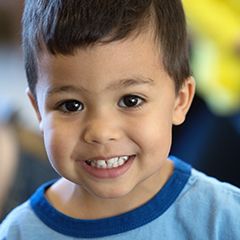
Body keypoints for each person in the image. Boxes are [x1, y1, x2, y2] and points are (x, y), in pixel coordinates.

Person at [0, 0, 239, 239]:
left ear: (180, 100)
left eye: (130, 101)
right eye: (71, 105)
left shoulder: (224, 218)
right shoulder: (19, 233)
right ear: (38, 111)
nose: (101, 132)